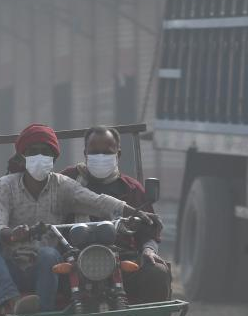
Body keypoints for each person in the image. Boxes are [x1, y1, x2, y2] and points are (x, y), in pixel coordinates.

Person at [0, 123, 155, 316]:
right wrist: (11, 234)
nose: (40, 157)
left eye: (45, 152)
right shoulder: (5, 186)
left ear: (54, 158)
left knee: (50, 254)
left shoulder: (63, 186)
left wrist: (130, 211)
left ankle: (43, 314)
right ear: (22, 156)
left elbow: (98, 202)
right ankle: (11, 301)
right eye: (33, 152)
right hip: (10, 266)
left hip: (46, 267)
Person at [62, 125, 171, 303]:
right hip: (74, 260)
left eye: (107, 152)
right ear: (85, 153)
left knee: (157, 272)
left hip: (123, 261)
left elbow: (150, 229)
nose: (100, 157)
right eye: (95, 152)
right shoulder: (68, 180)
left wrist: (149, 250)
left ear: (118, 154)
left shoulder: (132, 188)